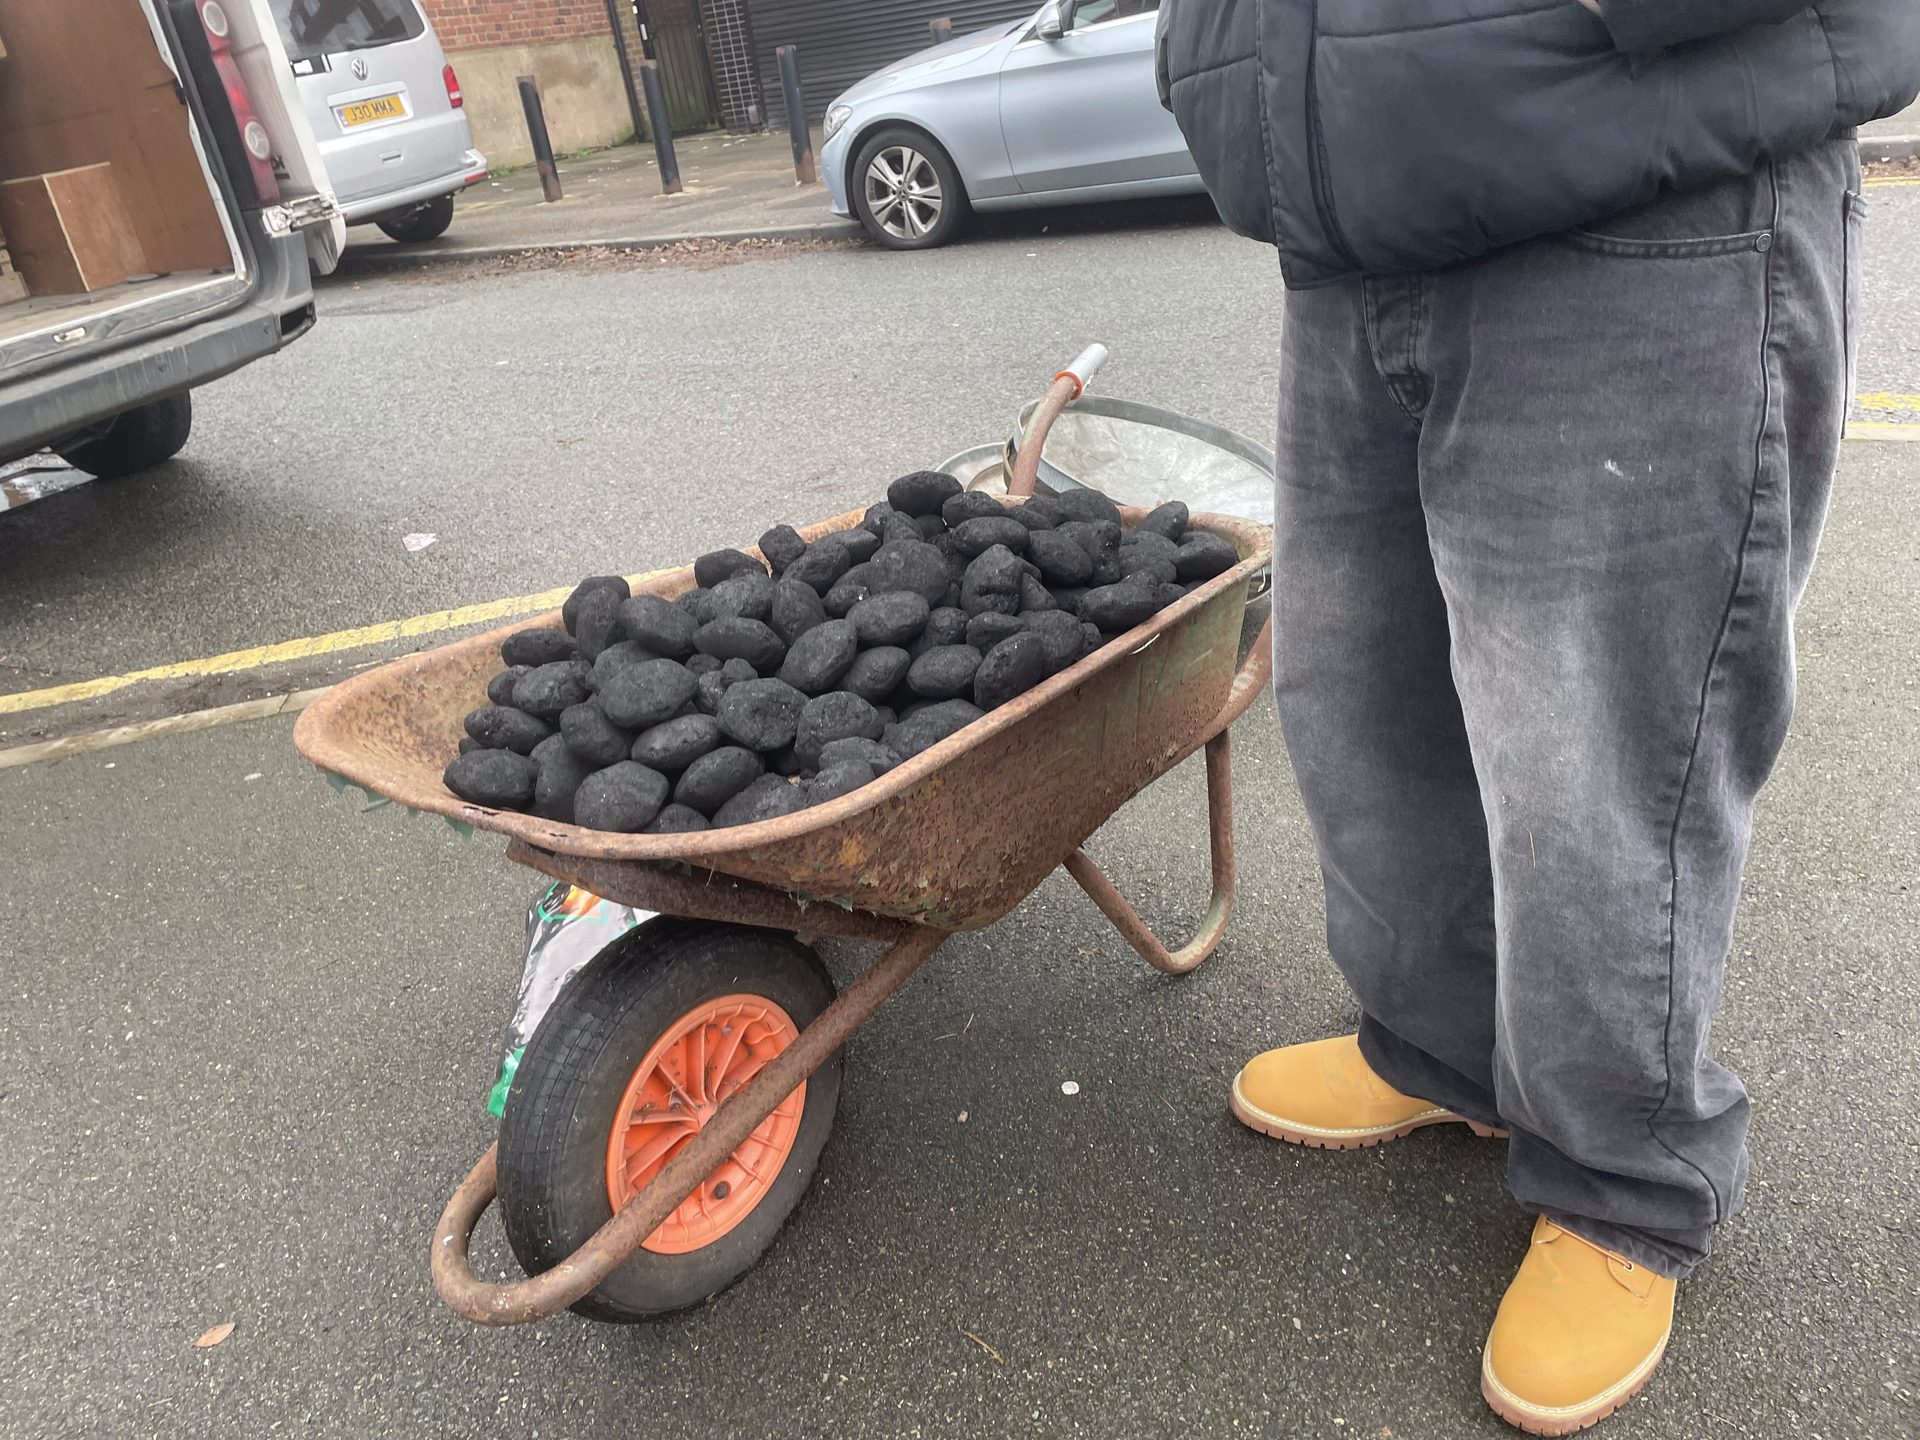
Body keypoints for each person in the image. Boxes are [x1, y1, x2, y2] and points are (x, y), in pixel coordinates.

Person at [1156, 1, 1919, 1432]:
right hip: (1358, 204)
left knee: (1600, 763)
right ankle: (1443, 1052)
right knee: (1363, 705)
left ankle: (1622, 1180)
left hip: (1637, 171)